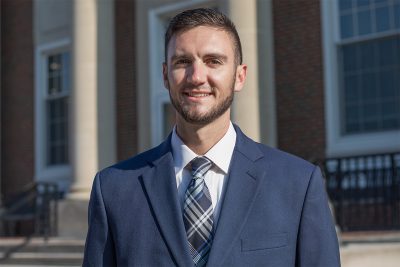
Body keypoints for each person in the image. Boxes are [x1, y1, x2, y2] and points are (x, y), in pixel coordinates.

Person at [83, 8, 340, 267]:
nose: (196, 77)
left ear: (239, 76)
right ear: (164, 75)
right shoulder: (114, 190)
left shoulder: (298, 183)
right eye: (182, 62)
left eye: (213, 61)